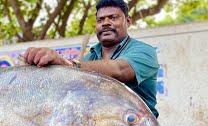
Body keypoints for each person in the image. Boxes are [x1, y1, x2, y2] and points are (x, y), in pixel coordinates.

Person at [22, 0, 159, 118]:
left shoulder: (145, 51)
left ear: (128, 21)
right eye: (100, 20)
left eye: (113, 18)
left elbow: (119, 69)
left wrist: (67, 64)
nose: (105, 23)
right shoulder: (90, 57)